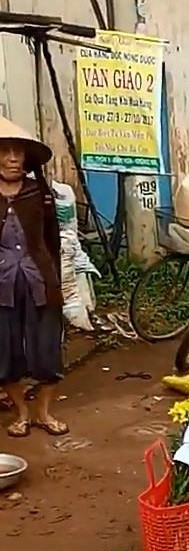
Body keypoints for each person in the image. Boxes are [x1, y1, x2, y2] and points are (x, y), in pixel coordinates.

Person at [0, 116, 67, 438]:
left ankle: (43, 413)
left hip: (40, 283)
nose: (13, 158)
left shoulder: (39, 193)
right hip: (2, 288)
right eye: (6, 151)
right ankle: (22, 415)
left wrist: (55, 281)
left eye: (18, 152)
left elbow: (53, 241)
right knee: (6, 354)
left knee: (47, 352)